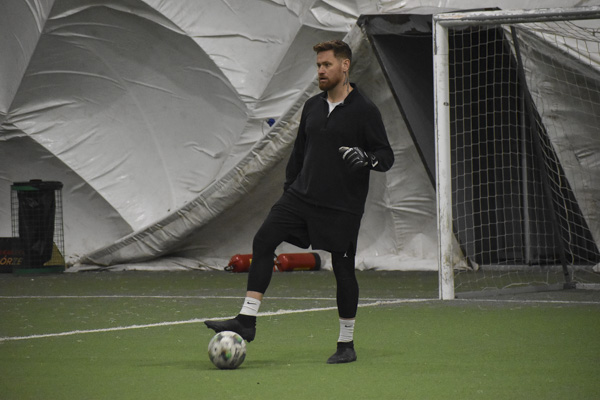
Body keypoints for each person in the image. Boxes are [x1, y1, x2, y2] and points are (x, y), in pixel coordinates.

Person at [205, 39, 394, 364]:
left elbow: (385, 156)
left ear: (345, 66)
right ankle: (246, 320)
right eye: (318, 65)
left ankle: (346, 344)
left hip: (342, 208)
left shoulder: (365, 110)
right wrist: (290, 189)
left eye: (327, 65)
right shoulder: (312, 107)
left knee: (343, 269)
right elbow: (298, 154)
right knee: (264, 240)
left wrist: (366, 158)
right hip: (300, 198)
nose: (320, 71)